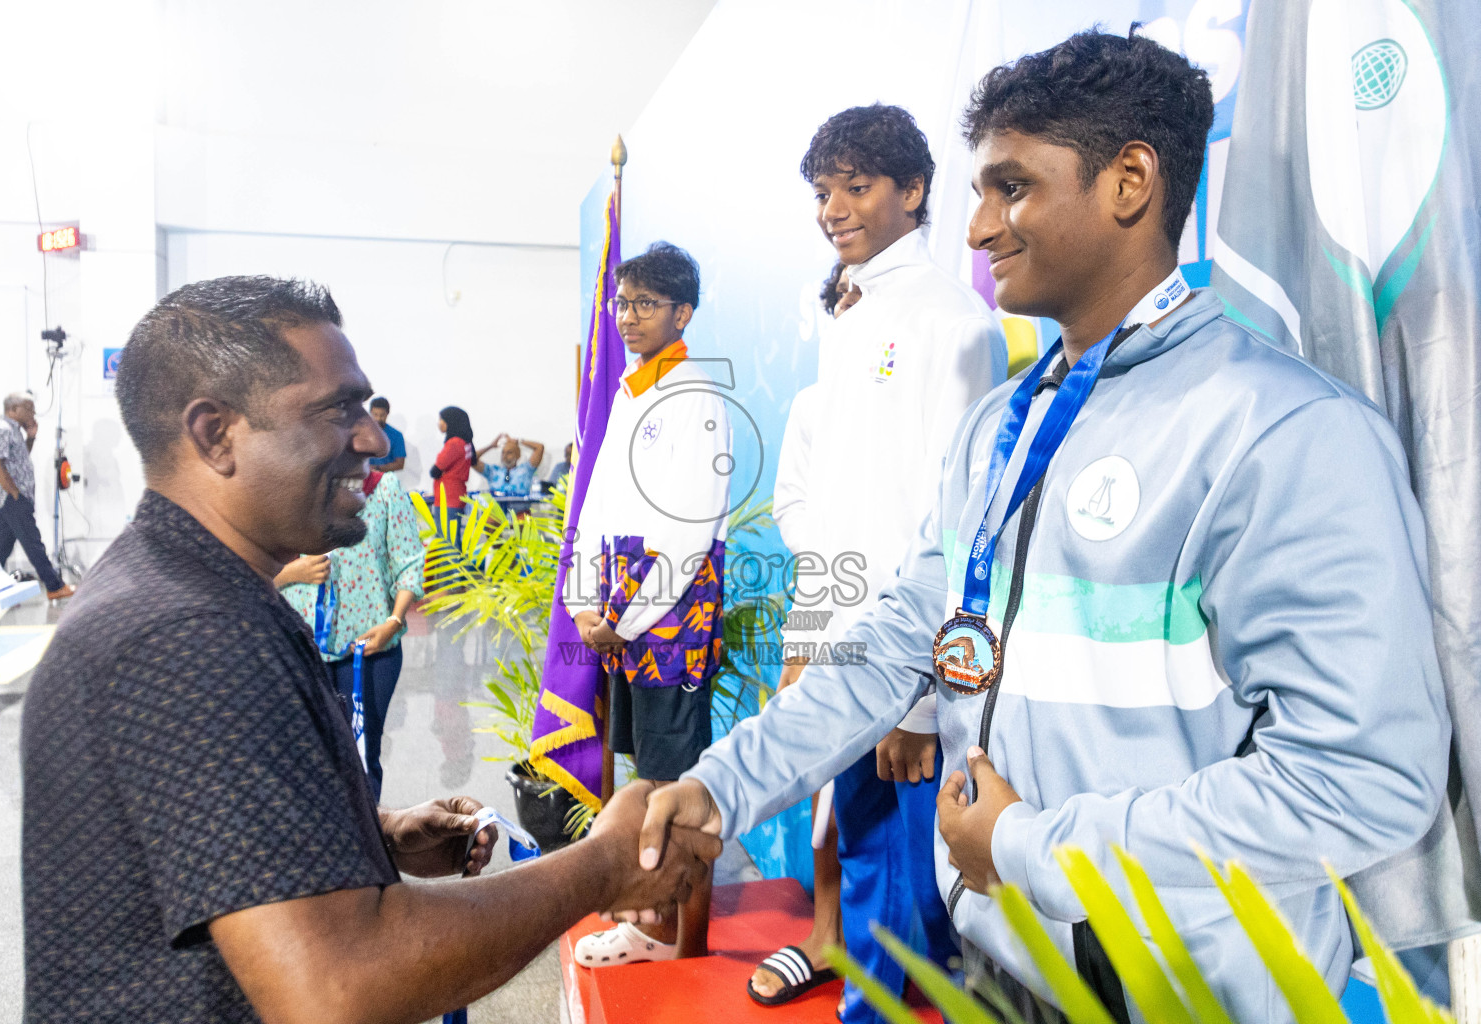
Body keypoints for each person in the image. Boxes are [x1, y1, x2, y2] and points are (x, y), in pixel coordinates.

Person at [639, 30, 1449, 1024]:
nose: (977, 228)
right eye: (980, 191)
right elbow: (903, 642)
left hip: (1191, 993)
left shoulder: (1282, 431)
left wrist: (1030, 849)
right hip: (1002, 963)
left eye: (1010, 188)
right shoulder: (1001, 426)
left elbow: (1360, 779)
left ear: (1129, 182)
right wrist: (720, 787)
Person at [19, 275, 720, 1024]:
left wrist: (369, 834)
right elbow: (337, 988)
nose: (374, 439)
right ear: (214, 433)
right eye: (336, 411)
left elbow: (198, 839)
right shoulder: (188, 634)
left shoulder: (192, 589)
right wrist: (600, 869)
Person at [750, 104, 1006, 1019]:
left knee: (911, 905)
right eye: (824, 192)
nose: (835, 209)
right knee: (866, 870)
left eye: (857, 187)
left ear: (915, 190)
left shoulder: (957, 325)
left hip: (905, 674)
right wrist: (809, 639)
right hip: (841, 651)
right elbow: (834, 519)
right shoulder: (850, 322)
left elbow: (961, 525)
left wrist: (926, 701)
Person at [563, 242, 730, 967]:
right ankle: (651, 920)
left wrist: (621, 619)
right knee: (649, 772)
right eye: (622, 303)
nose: (628, 317)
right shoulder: (634, 389)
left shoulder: (693, 396)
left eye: (645, 304)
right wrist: (582, 605)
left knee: (677, 780)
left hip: (668, 618)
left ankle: (677, 937)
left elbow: (689, 530)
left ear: (682, 312)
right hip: (621, 617)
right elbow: (597, 508)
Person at [278, 467, 423, 800]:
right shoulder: (291, 487)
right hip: (301, 651)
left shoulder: (383, 490)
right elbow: (249, 570)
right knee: (311, 761)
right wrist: (292, 571)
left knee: (362, 757)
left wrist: (394, 621)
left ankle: (368, 847)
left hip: (370, 652)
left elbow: (409, 562)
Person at [0, 392, 73, 600]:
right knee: (33, 542)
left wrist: (31, 437)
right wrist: (14, 492)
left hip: (11, 497)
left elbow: (18, 460)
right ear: (13, 410)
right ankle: (54, 585)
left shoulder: (13, 431)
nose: (33, 412)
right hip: (11, 497)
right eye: (29, 408)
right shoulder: (2, 429)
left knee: (1, 546)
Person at [430, 405, 473, 515]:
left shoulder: (454, 443)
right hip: (456, 495)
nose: (439, 423)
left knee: (446, 532)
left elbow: (435, 471)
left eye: (442, 420)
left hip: (448, 497)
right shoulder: (466, 442)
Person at [474, 434, 544, 498]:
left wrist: (518, 441)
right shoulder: (492, 471)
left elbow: (539, 447)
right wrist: (491, 446)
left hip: (520, 510)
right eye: (503, 452)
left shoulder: (526, 470)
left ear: (518, 455)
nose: (505, 456)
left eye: (509, 452)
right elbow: (471, 459)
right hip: (497, 511)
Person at [368, 396, 406, 472]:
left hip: (386, 480)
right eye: (375, 415)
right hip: (363, 479)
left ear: (387, 413)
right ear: (370, 413)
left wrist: (377, 468)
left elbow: (400, 464)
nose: (378, 419)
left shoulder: (396, 436)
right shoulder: (361, 433)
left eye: (382, 415)